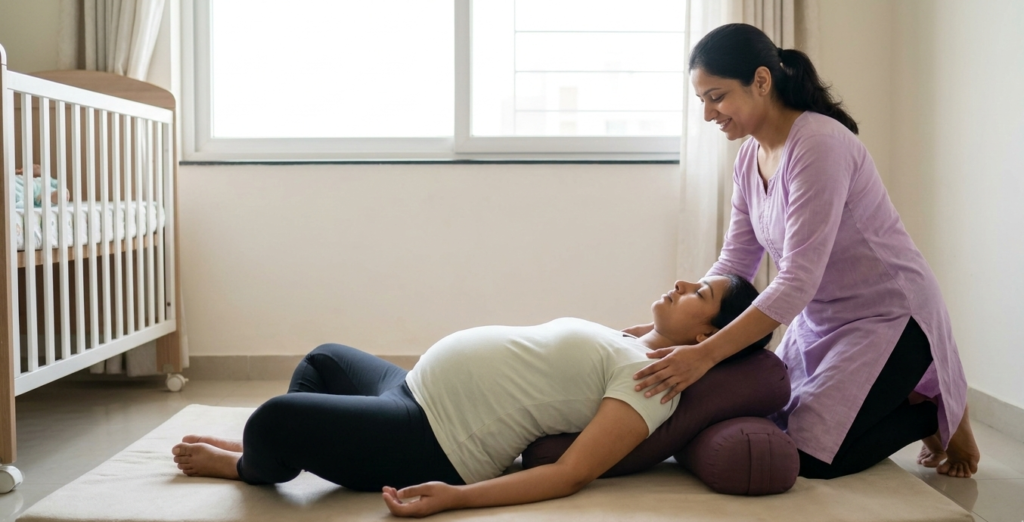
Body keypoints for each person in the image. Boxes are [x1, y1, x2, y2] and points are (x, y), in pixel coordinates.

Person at [629, 23, 979, 480]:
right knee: (777, 425)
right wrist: (689, 327)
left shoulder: (818, 143)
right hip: (820, 317)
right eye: (701, 101)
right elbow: (735, 264)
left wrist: (707, 354)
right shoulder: (748, 159)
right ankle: (906, 398)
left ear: (760, 81)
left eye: (716, 96)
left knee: (811, 459)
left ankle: (929, 409)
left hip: (890, 317)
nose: (708, 114)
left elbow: (797, 277)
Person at [171, 274, 768, 518]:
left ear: (706, 335)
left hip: (431, 441)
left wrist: (458, 498)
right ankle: (283, 453)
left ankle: (253, 465)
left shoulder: (652, 387)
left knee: (276, 417)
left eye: (703, 292)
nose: (686, 282)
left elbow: (571, 474)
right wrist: (646, 334)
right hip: (408, 389)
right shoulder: (633, 343)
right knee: (324, 358)